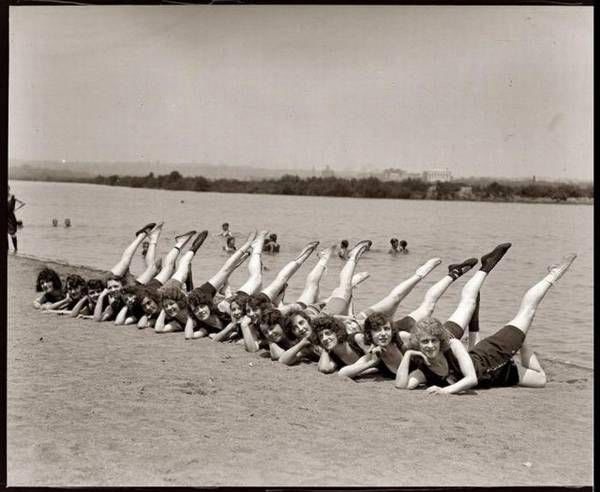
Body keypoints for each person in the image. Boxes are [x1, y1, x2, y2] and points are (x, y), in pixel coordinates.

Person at [396, 253, 577, 394]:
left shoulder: (453, 344)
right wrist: (408, 355)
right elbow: (402, 385)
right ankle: (521, 341)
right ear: (418, 344)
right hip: (502, 375)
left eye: (433, 341)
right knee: (541, 380)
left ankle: (554, 274)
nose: (429, 346)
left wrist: (445, 390)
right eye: (424, 342)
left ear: (440, 341)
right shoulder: (424, 370)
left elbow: (471, 379)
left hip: (493, 353)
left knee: (527, 312)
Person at [338, 245, 507, 380]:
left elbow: (430, 342)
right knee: (461, 306)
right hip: (437, 352)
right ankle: (459, 275)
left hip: (443, 337)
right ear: (370, 335)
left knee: (464, 305)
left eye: (386, 329)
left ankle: (484, 268)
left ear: (391, 329)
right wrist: (371, 362)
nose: (382, 334)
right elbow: (343, 374)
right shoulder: (375, 356)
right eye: (377, 331)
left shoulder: (403, 339)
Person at [153, 230, 209, 333]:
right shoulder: (181, 322)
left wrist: (165, 305)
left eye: (169, 307)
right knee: (180, 264)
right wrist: (166, 308)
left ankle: (182, 244)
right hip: (175, 294)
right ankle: (191, 248)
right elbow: (159, 329)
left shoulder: (178, 320)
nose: (170, 309)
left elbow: (158, 328)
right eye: (167, 307)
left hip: (166, 291)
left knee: (171, 266)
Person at [7, 185, 25, 253]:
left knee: (12, 233)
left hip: (11, 217)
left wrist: (15, 209)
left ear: (9, 189)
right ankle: (7, 250)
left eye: (7, 189)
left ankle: (16, 249)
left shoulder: (13, 196)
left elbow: (23, 203)